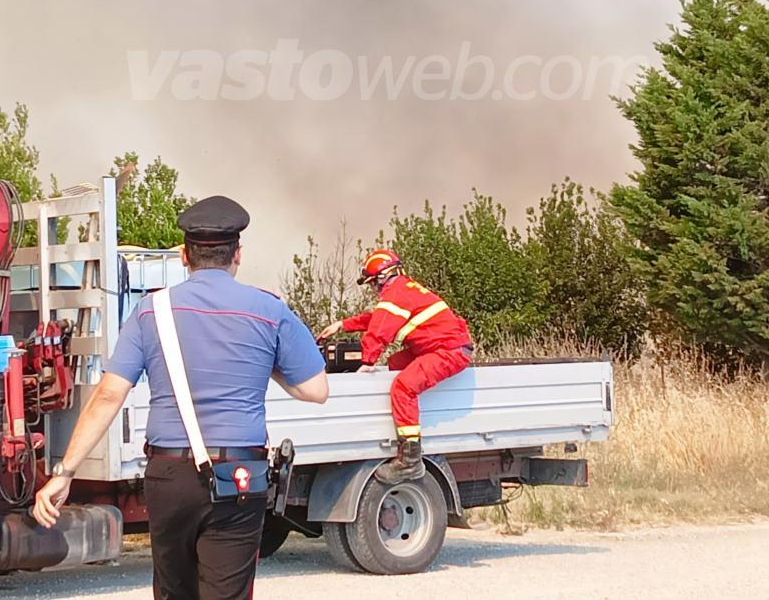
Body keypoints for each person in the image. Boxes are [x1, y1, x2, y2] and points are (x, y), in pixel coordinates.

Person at [34, 195, 328, 600]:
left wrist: (64, 473)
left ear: (184, 256)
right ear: (237, 255)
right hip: (239, 475)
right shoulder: (268, 310)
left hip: (168, 476)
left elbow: (108, 396)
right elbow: (316, 390)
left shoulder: (151, 311)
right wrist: (267, 362)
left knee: (174, 592)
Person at [318, 249, 472, 484]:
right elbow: (377, 318)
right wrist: (342, 325)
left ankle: (410, 460)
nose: (373, 289)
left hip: (447, 351)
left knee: (403, 387)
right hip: (438, 347)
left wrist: (367, 362)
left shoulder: (395, 294)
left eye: (372, 283)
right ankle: (398, 417)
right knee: (394, 364)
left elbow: (379, 330)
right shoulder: (403, 290)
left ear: (381, 277)